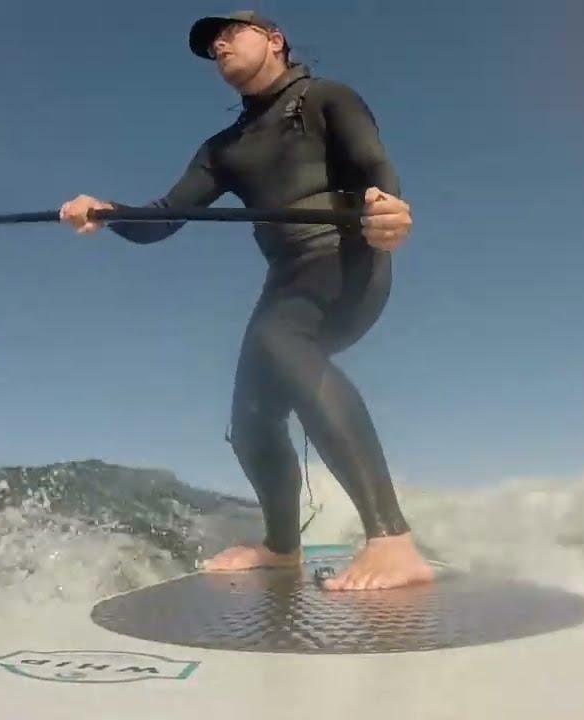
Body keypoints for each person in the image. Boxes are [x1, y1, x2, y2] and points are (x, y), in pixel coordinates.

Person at [58, 11, 434, 591]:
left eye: (230, 31)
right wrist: (106, 212)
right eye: (212, 44)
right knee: (251, 420)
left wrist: (388, 208)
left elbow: (372, 165)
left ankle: (391, 541)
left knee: (280, 340)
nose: (219, 45)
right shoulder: (224, 149)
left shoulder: (326, 99)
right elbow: (164, 218)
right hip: (287, 281)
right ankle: (283, 549)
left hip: (346, 260)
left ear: (275, 39)